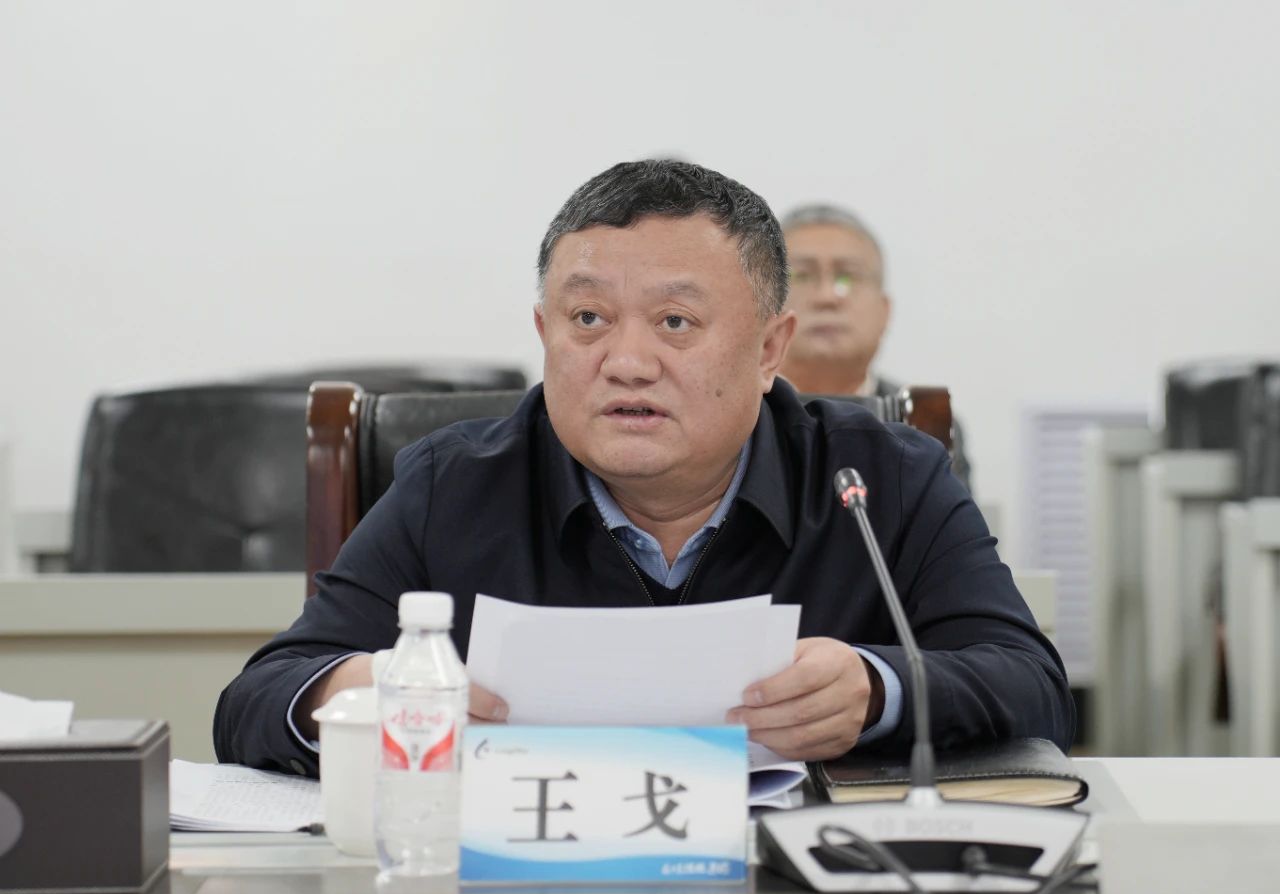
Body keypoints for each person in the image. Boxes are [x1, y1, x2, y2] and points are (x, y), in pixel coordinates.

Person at [213, 160, 1071, 777]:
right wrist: (360, 689)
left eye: (674, 323)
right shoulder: (454, 483)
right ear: (545, 333)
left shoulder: (881, 477)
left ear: (770, 349)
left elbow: (1034, 686)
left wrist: (877, 691)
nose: (625, 363)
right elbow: (254, 703)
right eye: (588, 319)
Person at [779, 204, 972, 489]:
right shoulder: (731, 415)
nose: (826, 297)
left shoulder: (925, 421)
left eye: (846, 277)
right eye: (802, 276)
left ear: (884, 312)